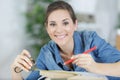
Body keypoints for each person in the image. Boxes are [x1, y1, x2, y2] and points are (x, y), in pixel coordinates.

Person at [11, 0, 120, 80]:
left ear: (75, 24)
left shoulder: (90, 40)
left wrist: (95, 67)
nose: (59, 30)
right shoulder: (47, 53)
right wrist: (15, 71)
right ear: (47, 28)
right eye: (53, 24)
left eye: (65, 23)